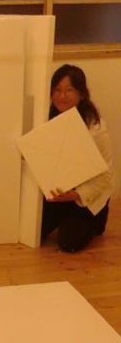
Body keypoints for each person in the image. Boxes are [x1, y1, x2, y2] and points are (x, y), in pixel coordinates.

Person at [41, 64, 114, 253]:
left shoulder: (95, 129)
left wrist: (75, 195)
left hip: (87, 196)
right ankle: (64, 216)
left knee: (69, 243)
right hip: (60, 193)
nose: (62, 96)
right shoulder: (46, 119)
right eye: (57, 90)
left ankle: (97, 219)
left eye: (69, 90)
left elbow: (105, 177)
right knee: (34, 231)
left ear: (81, 94)